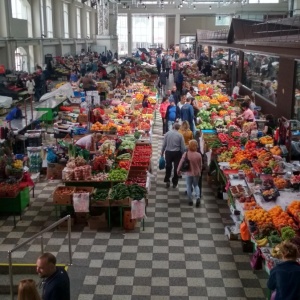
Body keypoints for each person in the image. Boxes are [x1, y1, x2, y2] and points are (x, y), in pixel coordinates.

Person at [177, 139, 202, 207]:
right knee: (196, 185)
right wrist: (200, 171)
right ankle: (198, 198)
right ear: (196, 146)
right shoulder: (199, 155)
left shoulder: (186, 154)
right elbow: (200, 165)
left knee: (188, 186)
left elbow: (181, 162)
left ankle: (190, 200)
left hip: (188, 173)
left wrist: (178, 170)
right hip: (197, 173)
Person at [161, 123, 186, 188]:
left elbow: (164, 145)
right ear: (179, 128)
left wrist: (162, 153)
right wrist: (184, 155)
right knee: (176, 168)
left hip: (168, 153)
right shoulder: (180, 135)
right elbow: (183, 147)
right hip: (177, 153)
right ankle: (175, 182)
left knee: (168, 167)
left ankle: (167, 180)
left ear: (173, 127)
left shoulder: (167, 134)